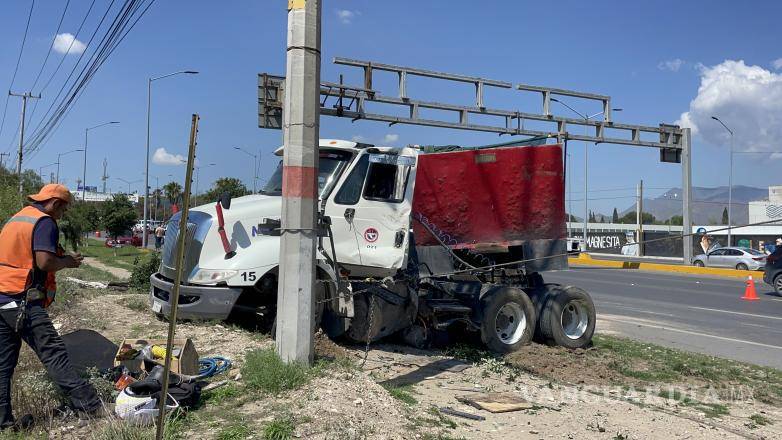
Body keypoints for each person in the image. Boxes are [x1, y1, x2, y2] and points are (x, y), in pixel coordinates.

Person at [0, 184, 103, 430]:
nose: (62, 215)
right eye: (63, 210)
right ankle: (90, 406)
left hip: (2, 298)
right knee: (54, 353)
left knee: (3, 365)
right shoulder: (44, 222)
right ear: (55, 203)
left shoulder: (16, 218)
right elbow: (44, 262)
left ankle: (4, 423)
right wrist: (67, 261)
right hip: (22, 300)